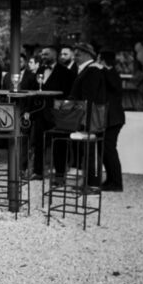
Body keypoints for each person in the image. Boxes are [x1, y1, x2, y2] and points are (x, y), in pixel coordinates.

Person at [31, 46, 76, 178]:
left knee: (59, 144)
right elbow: (35, 88)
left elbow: (68, 93)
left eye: (46, 54)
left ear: (54, 56)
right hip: (40, 111)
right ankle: (38, 172)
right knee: (39, 143)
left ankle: (60, 174)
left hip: (57, 113)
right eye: (42, 54)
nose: (43, 56)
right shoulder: (40, 70)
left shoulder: (65, 72)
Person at [68, 42, 108, 186]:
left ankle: (93, 184)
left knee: (91, 152)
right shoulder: (88, 69)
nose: (75, 57)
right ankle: (89, 182)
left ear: (87, 54)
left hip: (89, 118)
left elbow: (89, 98)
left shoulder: (92, 70)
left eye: (78, 54)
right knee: (87, 151)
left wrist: (84, 120)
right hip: (86, 116)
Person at [100, 50, 126, 192]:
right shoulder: (111, 73)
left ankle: (116, 183)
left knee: (109, 150)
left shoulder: (112, 74)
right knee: (106, 150)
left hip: (113, 119)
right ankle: (111, 180)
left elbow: (115, 88)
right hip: (111, 118)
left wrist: (103, 69)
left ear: (102, 59)